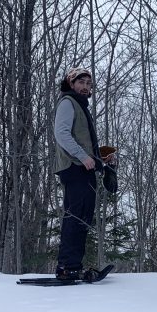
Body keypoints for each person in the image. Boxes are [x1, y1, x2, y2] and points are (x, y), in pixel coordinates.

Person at [53, 67, 114, 280]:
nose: (85, 87)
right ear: (71, 83)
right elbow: (61, 134)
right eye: (81, 82)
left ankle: (73, 265)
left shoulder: (80, 106)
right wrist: (84, 157)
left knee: (83, 217)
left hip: (84, 167)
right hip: (74, 167)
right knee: (76, 215)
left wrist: (98, 158)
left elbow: (80, 139)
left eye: (89, 83)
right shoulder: (68, 103)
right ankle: (66, 267)